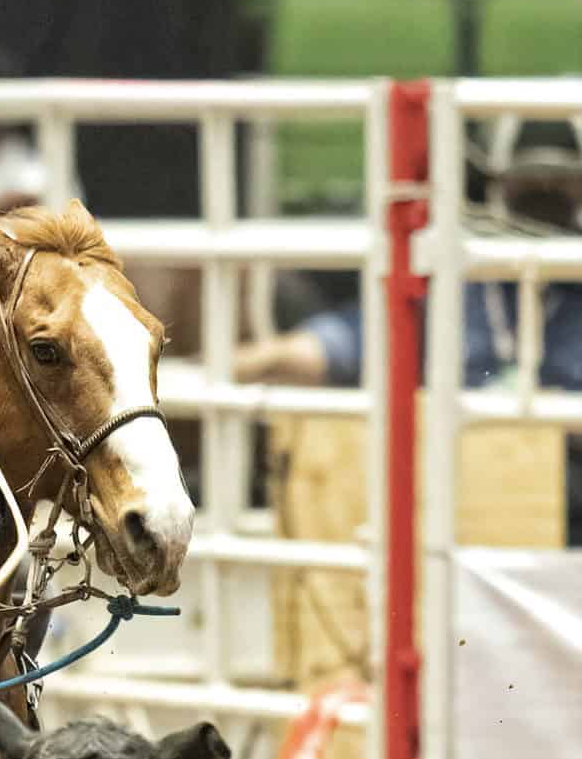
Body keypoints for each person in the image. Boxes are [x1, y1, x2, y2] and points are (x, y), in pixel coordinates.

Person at [233, 117, 582, 539]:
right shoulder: (455, 279)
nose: (544, 195)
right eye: (529, 181)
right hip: (462, 489)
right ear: (495, 185)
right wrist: (223, 366)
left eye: (560, 182)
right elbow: (337, 346)